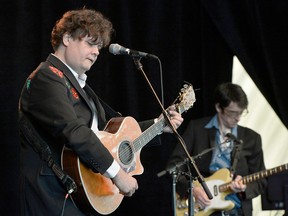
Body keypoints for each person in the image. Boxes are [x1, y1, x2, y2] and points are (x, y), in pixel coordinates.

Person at [18, 8, 183, 216]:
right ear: (67, 38)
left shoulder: (80, 86)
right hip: (53, 195)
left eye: (99, 46)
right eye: (90, 43)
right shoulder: (46, 77)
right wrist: (117, 175)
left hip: (77, 195)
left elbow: (112, 136)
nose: (97, 52)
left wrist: (159, 125)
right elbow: (74, 131)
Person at [166, 82, 267, 216]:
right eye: (232, 113)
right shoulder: (196, 129)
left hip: (236, 208)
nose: (238, 118)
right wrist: (192, 188)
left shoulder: (252, 138)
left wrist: (244, 188)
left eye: (241, 113)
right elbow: (173, 167)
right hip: (200, 206)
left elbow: (261, 180)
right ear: (219, 107)